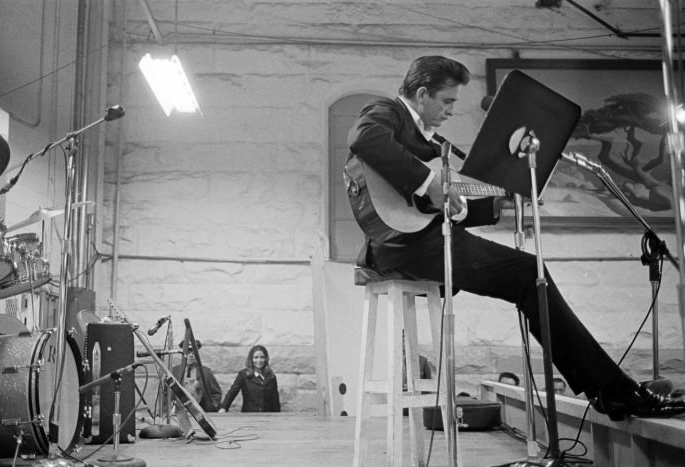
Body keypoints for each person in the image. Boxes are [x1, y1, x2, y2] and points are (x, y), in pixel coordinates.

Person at [343, 55, 685, 422]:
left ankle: (610, 390)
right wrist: (430, 184)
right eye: (447, 101)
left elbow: (433, 207)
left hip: (420, 240)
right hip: (402, 246)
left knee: (528, 274)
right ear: (422, 94)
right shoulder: (385, 112)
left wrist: (497, 204)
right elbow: (364, 138)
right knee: (528, 273)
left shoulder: (427, 143)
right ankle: (614, 392)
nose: (451, 111)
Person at [218, 345, 281, 413]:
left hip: (268, 416)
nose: (259, 360)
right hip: (249, 415)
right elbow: (233, 392)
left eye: (262, 357)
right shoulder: (243, 375)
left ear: (266, 359)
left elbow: (275, 399)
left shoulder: (271, 376)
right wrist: (224, 408)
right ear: (251, 359)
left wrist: (278, 415)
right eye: (256, 357)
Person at [172, 339, 222, 413]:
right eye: (188, 352)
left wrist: (211, 407)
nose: (191, 355)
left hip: (201, 411)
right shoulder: (174, 371)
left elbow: (216, 393)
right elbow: (166, 393)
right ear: (183, 353)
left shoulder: (206, 372)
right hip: (178, 412)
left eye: (194, 352)